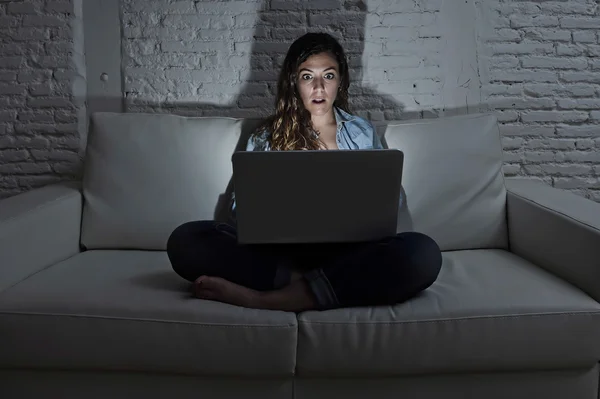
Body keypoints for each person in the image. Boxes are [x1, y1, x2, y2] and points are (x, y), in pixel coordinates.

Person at [167, 32, 442, 312]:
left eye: (329, 75)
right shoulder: (265, 136)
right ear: (294, 82)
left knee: (424, 254)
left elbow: (387, 201)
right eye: (308, 76)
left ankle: (268, 298)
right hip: (282, 255)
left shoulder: (361, 132)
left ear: (341, 81)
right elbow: (240, 210)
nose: (319, 87)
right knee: (185, 241)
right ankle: (313, 285)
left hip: (349, 253)